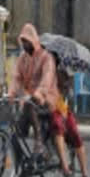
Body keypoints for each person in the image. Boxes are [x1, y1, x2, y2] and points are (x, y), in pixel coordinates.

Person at [8, 23, 58, 155]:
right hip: (28, 99)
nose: (24, 45)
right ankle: (21, 163)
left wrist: (39, 93)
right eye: (23, 41)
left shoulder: (46, 57)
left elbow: (47, 79)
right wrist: (11, 93)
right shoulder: (22, 58)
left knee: (30, 105)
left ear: (33, 41)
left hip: (47, 98)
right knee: (15, 132)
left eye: (26, 41)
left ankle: (38, 139)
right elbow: (16, 77)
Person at [48, 55, 90, 177]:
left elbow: (69, 94)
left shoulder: (67, 75)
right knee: (58, 128)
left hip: (62, 109)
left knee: (74, 133)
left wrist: (65, 84)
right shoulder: (46, 72)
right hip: (50, 109)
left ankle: (85, 173)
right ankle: (64, 166)